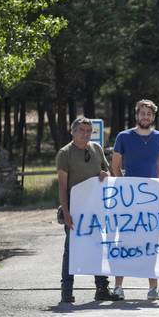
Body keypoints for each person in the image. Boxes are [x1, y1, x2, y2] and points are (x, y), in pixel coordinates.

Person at [57, 117, 120, 303]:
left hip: (97, 209)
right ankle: (66, 290)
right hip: (75, 209)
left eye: (88, 131)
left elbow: (107, 172)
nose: (85, 134)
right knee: (71, 250)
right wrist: (66, 213)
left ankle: (102, 288)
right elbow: (61, 186)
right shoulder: (65, 153)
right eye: (81, 130)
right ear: (73, 132)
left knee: (98, 248)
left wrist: (104, 174)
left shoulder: (96, 148)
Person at [110, 99, 159, 300]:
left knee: (151, 240)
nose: (146, 117)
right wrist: (128, 188)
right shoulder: (123, 136)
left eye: (149, 114)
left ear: (153, 117)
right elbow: (115, 166)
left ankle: (153, 288)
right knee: (125, 240)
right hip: (127, 198)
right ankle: (118, 287)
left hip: (151, 198)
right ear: (136, 115)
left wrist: (147, 189)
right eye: (142, 113)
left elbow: (158, 168)